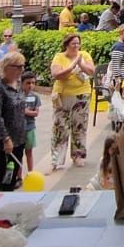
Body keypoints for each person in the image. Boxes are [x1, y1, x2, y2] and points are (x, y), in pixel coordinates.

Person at [0, 55, 35, 192]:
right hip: (1, 144)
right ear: (7, 67)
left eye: (23, 66)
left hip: (18, 140)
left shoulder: (18, 85)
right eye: (18, 67)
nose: (21, 70)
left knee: (10, 178)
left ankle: (5, 207)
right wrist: (5, 139)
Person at [50, 32, 96, 168]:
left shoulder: (85, 55)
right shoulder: (59, 57)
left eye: (78, 43)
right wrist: (72, 66)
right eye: (73, 43)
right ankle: (57, 158)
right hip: (62, 95)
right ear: (66, 45)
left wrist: (80, 64)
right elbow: (56, 74)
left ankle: (78, 155)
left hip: (81, 94)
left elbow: (91, 71)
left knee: (79, 125)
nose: (76, 46)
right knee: (60, 126)